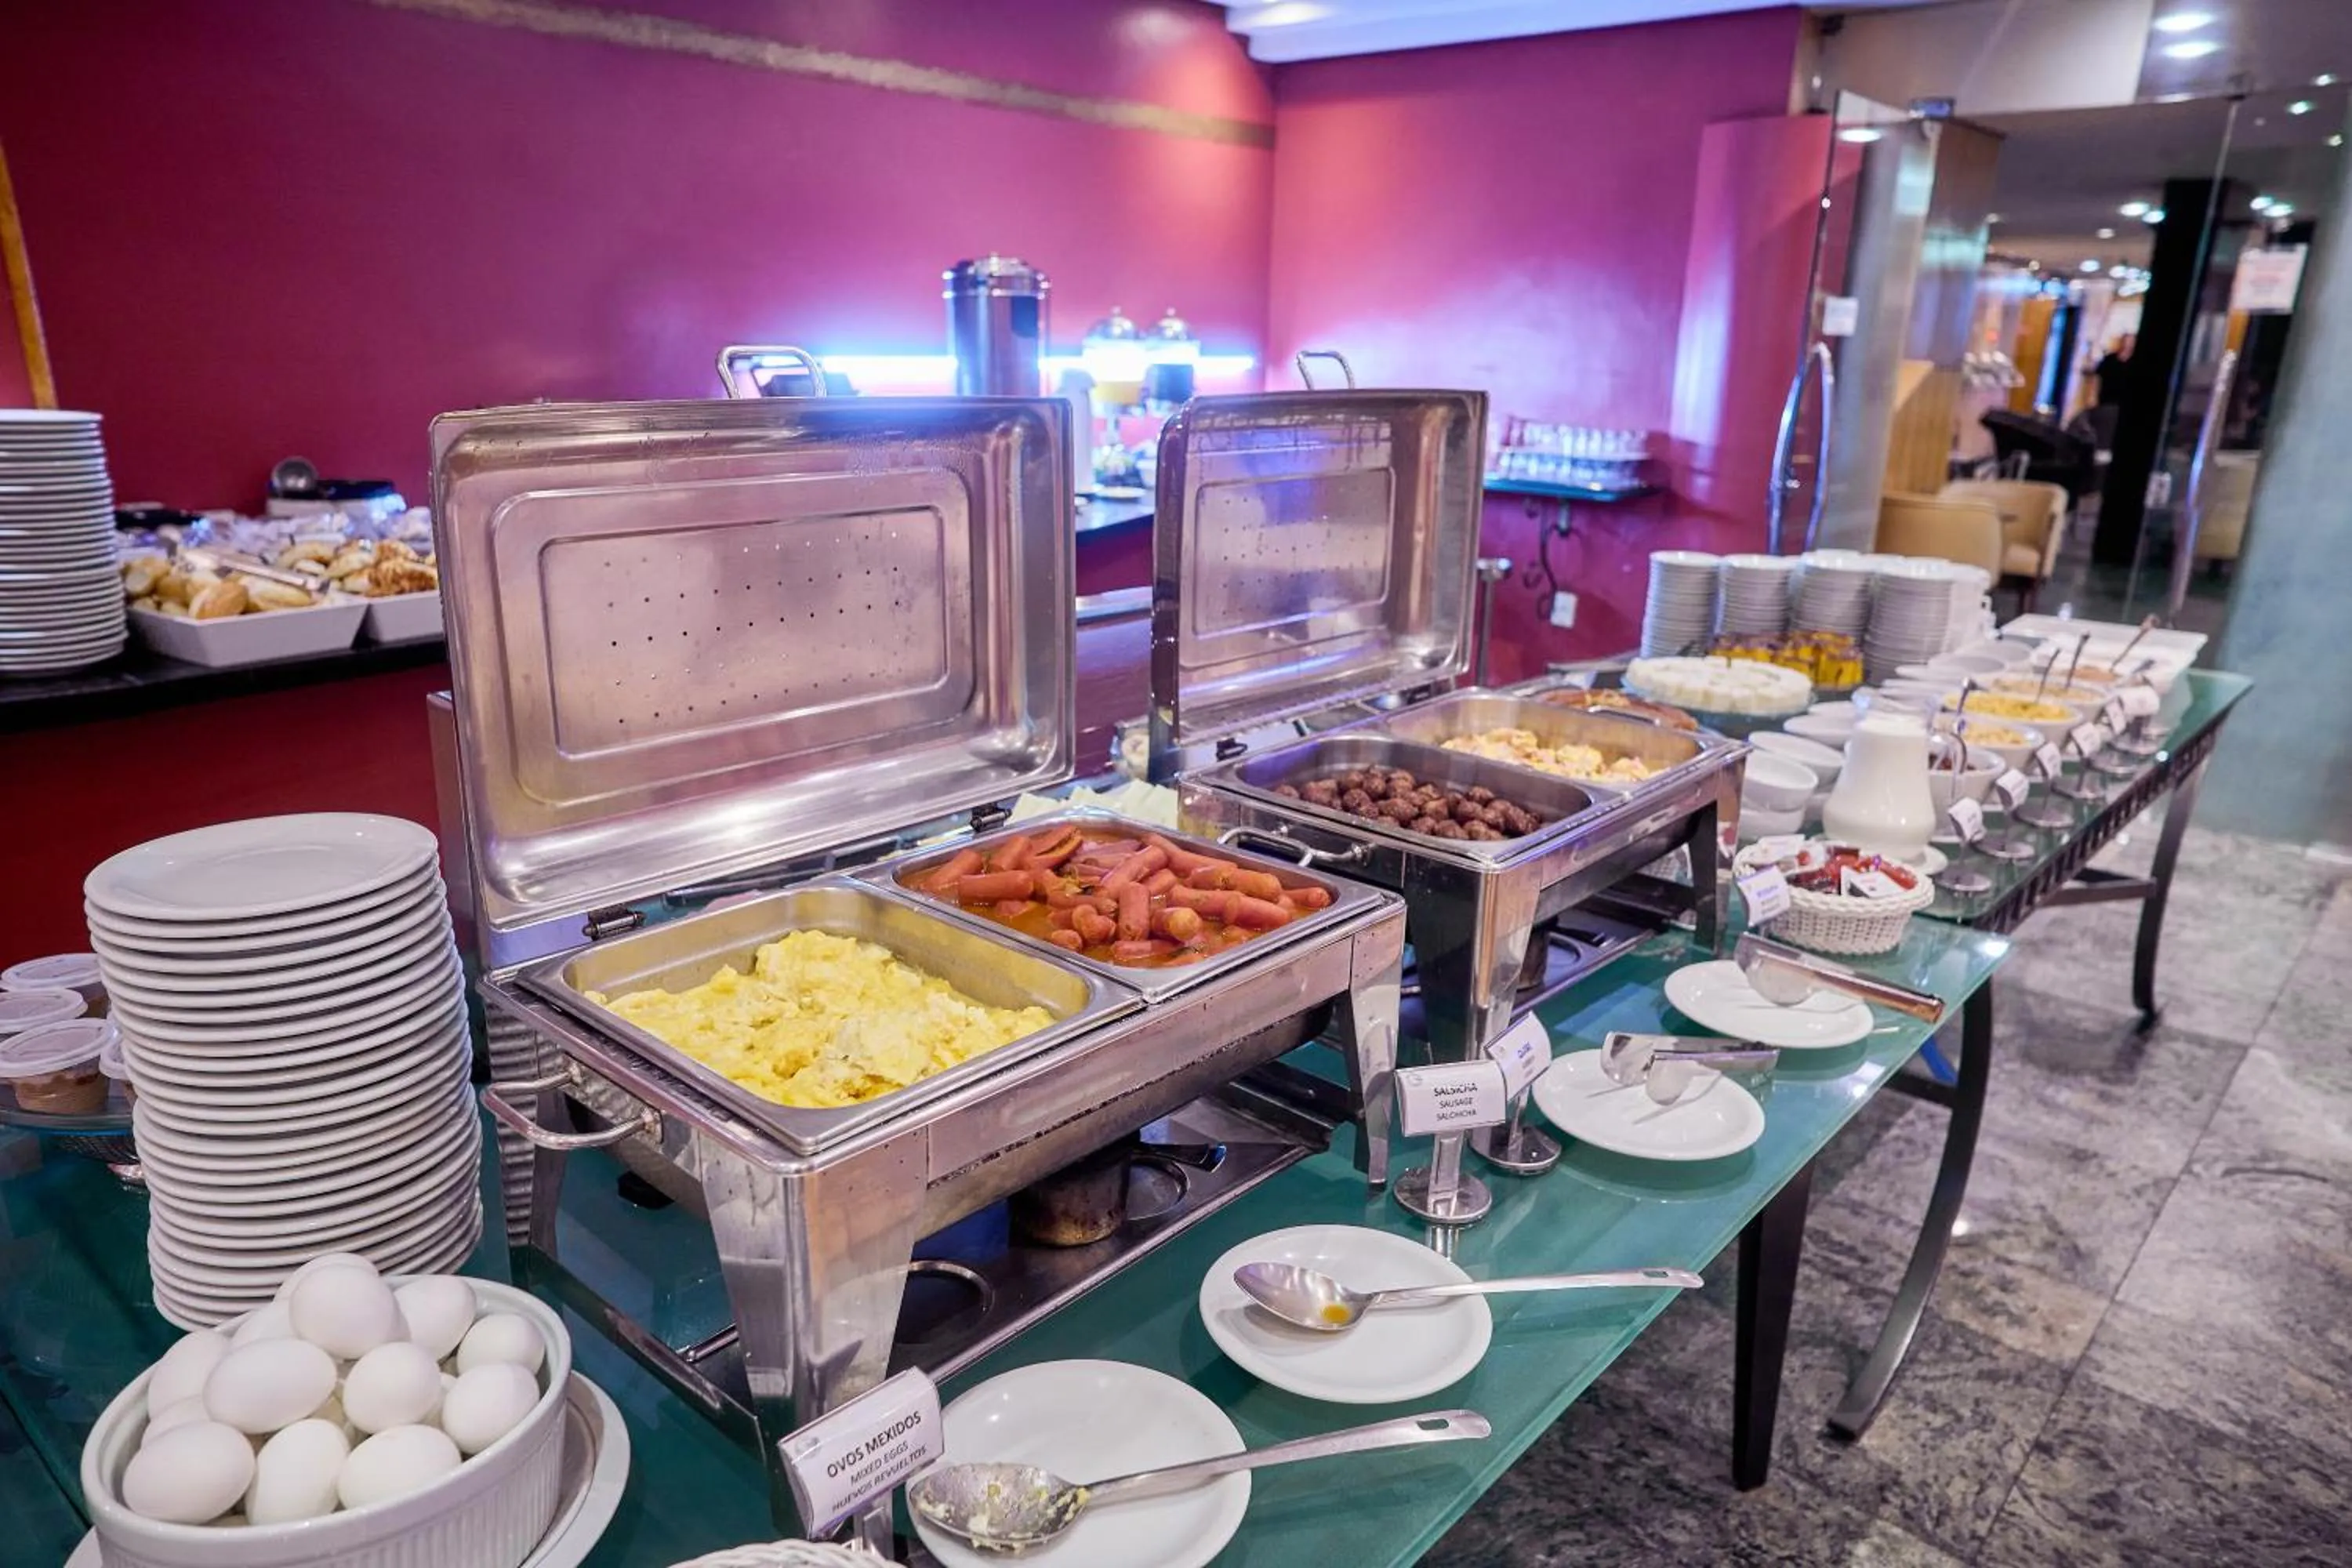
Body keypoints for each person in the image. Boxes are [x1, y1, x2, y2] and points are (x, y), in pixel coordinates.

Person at [2092, 333, 2136, 408]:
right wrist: (2093, 397)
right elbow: (2097, 378)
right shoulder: (2109, 359)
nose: (2128, 344)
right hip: (2105, 400)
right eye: (2126, 340)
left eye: (2131, 341)